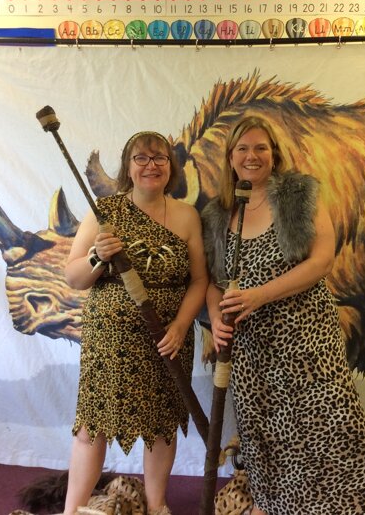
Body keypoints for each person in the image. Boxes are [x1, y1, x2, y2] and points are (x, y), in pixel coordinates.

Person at [201, 116, 365, 515]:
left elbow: (322, 261)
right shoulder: (217, 214)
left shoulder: (299, 194)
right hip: (251, 352)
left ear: (274, 154)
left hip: (307, 339)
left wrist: (259, 296)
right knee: (266, 436)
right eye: (242, 148)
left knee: (338, 428)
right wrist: (216, 318)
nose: (251, 156)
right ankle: (274, 507)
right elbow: (213, 281)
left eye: (260, 147)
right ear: (230, 157)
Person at [63, 131, 208, 515]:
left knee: (161, 427)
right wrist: (97, 256)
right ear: (128, 167)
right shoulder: (104, 212)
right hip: (110, 341)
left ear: (171, 167)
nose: (151, 165)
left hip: (168, 339)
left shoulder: (187, 216)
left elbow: (199, 280)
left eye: (159, 158)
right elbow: (74, 277)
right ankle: (72, 510)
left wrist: (180, 326)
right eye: (141, 158)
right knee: (93, 426)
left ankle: (156, 505)